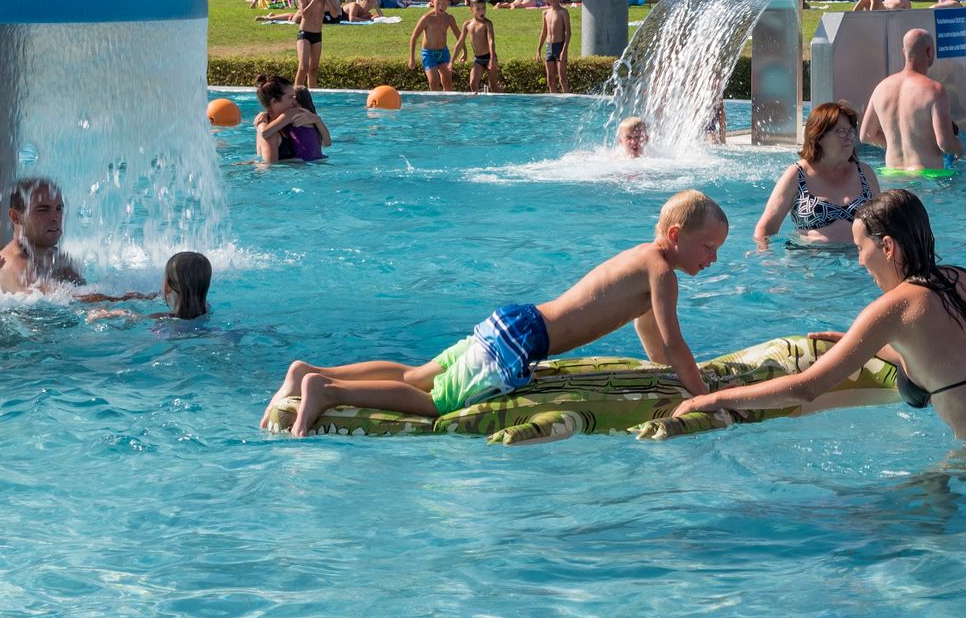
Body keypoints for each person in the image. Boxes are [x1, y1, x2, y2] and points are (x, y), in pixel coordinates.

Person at [266, 190, 730, 436]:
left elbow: (648, 330)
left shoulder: (644, 260)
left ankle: (310, 371)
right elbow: (674, 341)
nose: (712, 259)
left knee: (415, 375)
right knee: (436, 405)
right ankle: (326, 390)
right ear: (674, 235)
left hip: (514, 321)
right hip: (522, 344)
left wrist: (662, 374)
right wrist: (701, 393)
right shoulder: (661, 274)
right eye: (708, 247)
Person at [671, 189, 966, 457]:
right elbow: (950, 359)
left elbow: (806, 389)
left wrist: (712, 399)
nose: (860, 260)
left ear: (888, 246)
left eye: (862, 248)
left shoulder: (892, 308)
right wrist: (857, 344)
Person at [752, 101, 882, 249]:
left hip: (858, 263)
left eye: (851, 131)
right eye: (841, 131)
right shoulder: (797, 174)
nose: (849, 136)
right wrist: (766, 260)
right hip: (810, 262)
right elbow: (766, 228)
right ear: (819, 136)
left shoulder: (864, 173)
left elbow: (883, 225)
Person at [859, 28, 961, 179]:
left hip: (891, 175)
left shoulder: (881, 88)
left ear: (904, 52)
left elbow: (866, 135)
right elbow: (945, 144)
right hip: (926, 176)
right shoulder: (934, 90)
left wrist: (897, 144)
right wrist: (959, 148)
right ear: (929, 52)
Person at [90, 252, 215, 323]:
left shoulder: (164, 318)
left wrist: (110, 313)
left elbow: (135, 318)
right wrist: (144, 296)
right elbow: (187, 291)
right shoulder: (206, 307)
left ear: (168, 286)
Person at [254, 76, 330, 162]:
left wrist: (317, 120)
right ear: (274, 102)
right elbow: (270, 167)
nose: (294, 101)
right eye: (290, 97)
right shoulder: (273, 130)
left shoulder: (289, 118)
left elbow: (325, 143)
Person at [292, 0, 338, 91]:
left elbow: (335, 14)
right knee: (303, 67)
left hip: (317, 34)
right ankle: (296, 94)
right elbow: (304, 14)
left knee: (314, 69)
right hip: (305, 34)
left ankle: (313, 96)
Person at [409, 0, 459, 92]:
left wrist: (465, 51)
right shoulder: (426, 18)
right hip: (429, 53)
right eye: (438, 3)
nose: (441, 7)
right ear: (432, 1)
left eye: (444, 4)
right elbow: (414, 37)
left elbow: (459, 36)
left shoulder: (449, 18)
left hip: (443, 52)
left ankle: (447, 104)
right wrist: (412, 58)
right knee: (433, 81)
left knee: (447, 82)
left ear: (449, 3)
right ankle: (434, 105)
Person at [535, 0, 571, 93]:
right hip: (549, 46)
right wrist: (538, 50)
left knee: (562, 78)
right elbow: (544, 32)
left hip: (559, 45)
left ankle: (568, 102)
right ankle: (555, 103)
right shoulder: (545, 13)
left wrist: (564, 50)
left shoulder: (563, 12)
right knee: (550, 80)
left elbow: (568, 33)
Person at [457, 0, 498, 93]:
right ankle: (478, 105)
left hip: (489, 57)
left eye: (484, 8)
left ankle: (502, 102)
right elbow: (460, 42)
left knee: (493, 86)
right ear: (471, 10)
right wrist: (451, 61)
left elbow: (491, 41)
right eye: (478, 9)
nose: (482, 11)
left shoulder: (487, 23)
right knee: (473, 83)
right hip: (478, 59)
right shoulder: (467, 24)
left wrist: (492, 59)